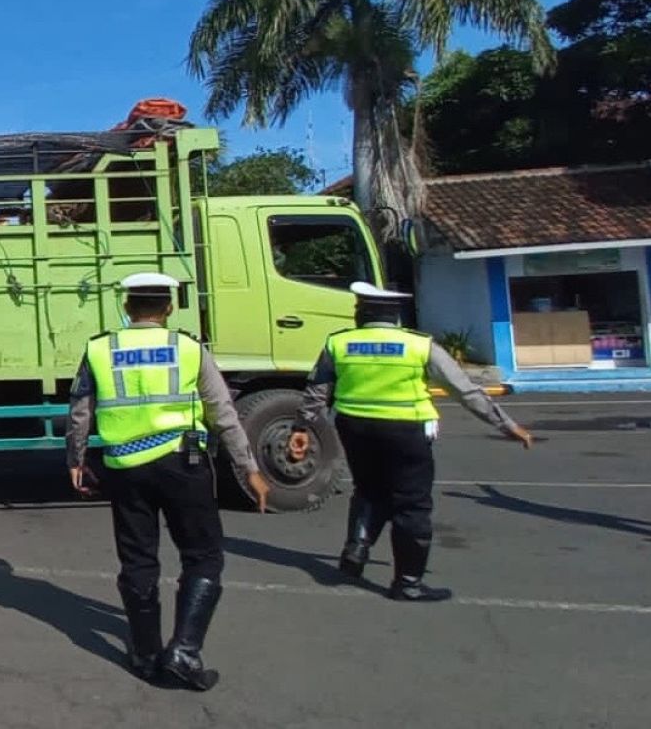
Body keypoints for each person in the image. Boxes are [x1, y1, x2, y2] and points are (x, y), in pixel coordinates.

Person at [65, 272, 271, 690]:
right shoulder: (188, 348)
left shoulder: (101, 349)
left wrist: (76, 458)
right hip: (184, 462)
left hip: (124, 467)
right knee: (202, 555)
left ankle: (144, 654)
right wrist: (248, 468)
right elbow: (223, 413)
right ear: (169, 308)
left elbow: (79, 410)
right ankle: (184, 651)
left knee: (138, 559)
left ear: (127, 307)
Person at [290, 281, 534, 602]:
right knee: (412, 503)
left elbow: (317, 392)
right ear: (396, 317)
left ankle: (356, 549)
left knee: (368, 490)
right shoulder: (419, 345)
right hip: (406, 431)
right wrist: (506, 425)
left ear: (360, 313)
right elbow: (464, 390)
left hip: (354, 429)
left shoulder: (339, 343)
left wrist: (302, 429)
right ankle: (407, 582)